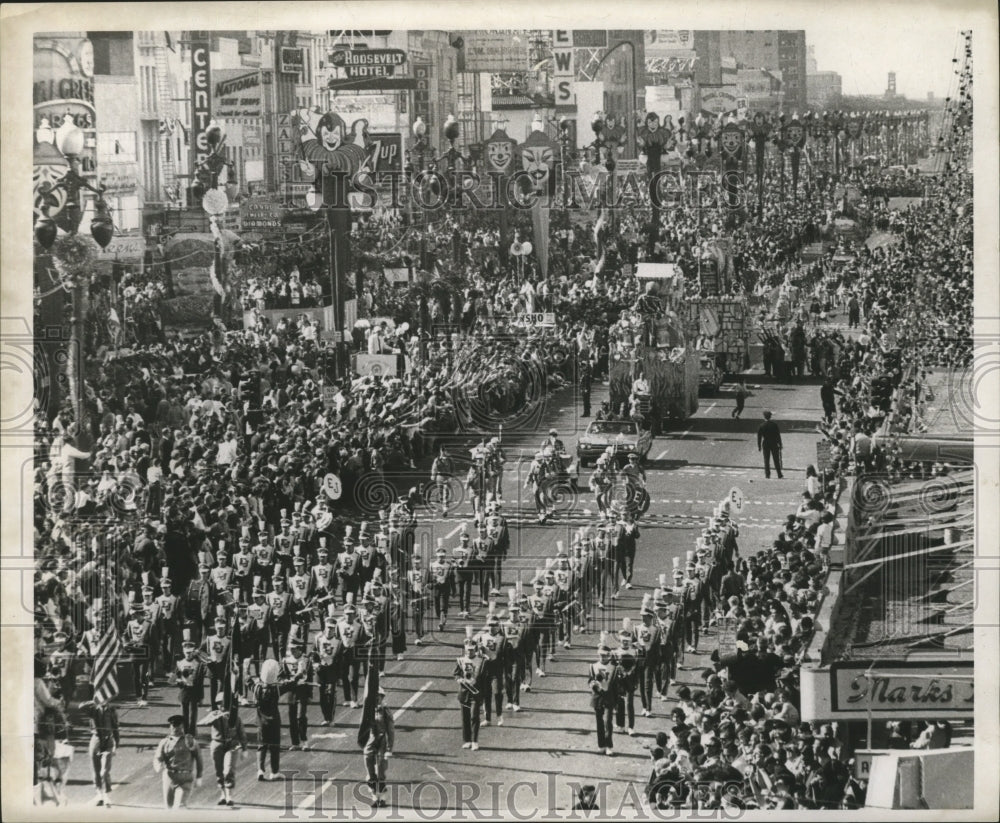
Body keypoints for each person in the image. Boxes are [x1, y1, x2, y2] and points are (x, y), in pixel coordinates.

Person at [199, 694, 249, 806]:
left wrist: (244, 748)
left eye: (221, 702)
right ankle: (223, 794)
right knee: (219, 771)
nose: (220, 705)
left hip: (232, 745)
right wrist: (214, 717)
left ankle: (229, 795)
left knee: (228, 770)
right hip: (217, 744)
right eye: (218, 703)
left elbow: (242, 733)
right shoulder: (214, 714)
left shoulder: (234, 717)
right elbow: (202, 722)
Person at [153, 714, 204, 809]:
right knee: (168, 806)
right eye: (173, 726)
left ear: (183, 727)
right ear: (170, 727)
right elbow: (158, 758)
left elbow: (199, 758)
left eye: (178, 726)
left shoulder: (190, 741)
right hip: (170, 777)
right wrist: (158, 765)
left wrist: (199, 777)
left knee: (181, 806)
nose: (175, 729)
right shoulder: (165, 742)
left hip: (186, 777)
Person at [79, 698, 120, 807]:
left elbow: (115, 728)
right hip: (96, 740)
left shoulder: (111, 710)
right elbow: (81, 706)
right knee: (96, 770)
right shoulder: (93, 709)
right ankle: (99, 794)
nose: (104, 699)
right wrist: (93, 701)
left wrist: (117, 745)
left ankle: (106, 795)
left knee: (104, 770)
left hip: (108, 741)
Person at [361, 687, 395, 806]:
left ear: (382, 697)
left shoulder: (385, 710)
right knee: (369, 766)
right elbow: (363, 727)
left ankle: (383, 797)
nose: (376, 699)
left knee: (380, 769)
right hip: (371, 740)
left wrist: (389, 749)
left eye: (378, 696)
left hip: (382, 740)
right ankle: (375, 797)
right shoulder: (368, 710)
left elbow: (391, 730)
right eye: (374, 697)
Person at [588, 637, 620, 756]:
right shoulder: (593, 666)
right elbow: (590, 681)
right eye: (600, 655)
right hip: (597, 697)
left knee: (608, 721)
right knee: (599, 723)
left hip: (609, 697)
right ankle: (601, 745)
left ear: (609, 655)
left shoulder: (614, 668)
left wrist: (616, 700)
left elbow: (616, 686)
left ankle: (609, 745)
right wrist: (593, 684)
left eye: (605, 655)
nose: (602, 657)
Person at [455, 629, 485, 750]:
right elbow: (456, 674)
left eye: (472, 649)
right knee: (465, 717)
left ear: (475, 650)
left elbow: (483, 677)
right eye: (467, 649)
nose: (469, 652)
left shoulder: (481, 661)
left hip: (476, 693)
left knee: (474, 716)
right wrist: (459, 679)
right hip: (464, 693)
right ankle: (466, 740)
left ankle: (475, 740)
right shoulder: (460, 660)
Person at [757, 410, 784, 479]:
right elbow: (778, 435)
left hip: (766, 443)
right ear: (770, 416)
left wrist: (759, 446)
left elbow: (759, 437)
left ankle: (767, 474)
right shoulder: (774, 425)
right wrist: (780, 444)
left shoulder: (761, 426)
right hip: (774, 443)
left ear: (764, 417)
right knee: (776, 460)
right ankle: (779, 474)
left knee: (766, 460)